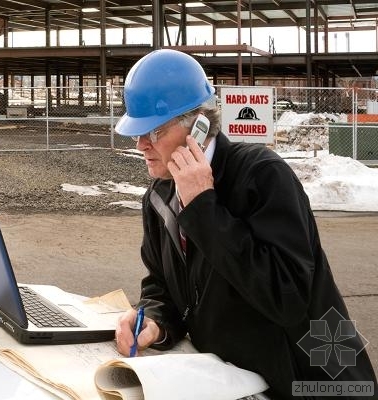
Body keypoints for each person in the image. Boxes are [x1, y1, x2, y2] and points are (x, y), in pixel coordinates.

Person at [113, 49, 377, 399]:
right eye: (137, 131)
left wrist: (204, 208)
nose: (141, 144)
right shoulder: (159, 197)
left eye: (154, 131)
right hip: (238, 379)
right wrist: (156, 320)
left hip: (317, 380)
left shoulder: (263, 175)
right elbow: (163, 285)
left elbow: (288, 298)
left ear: (199, 126)